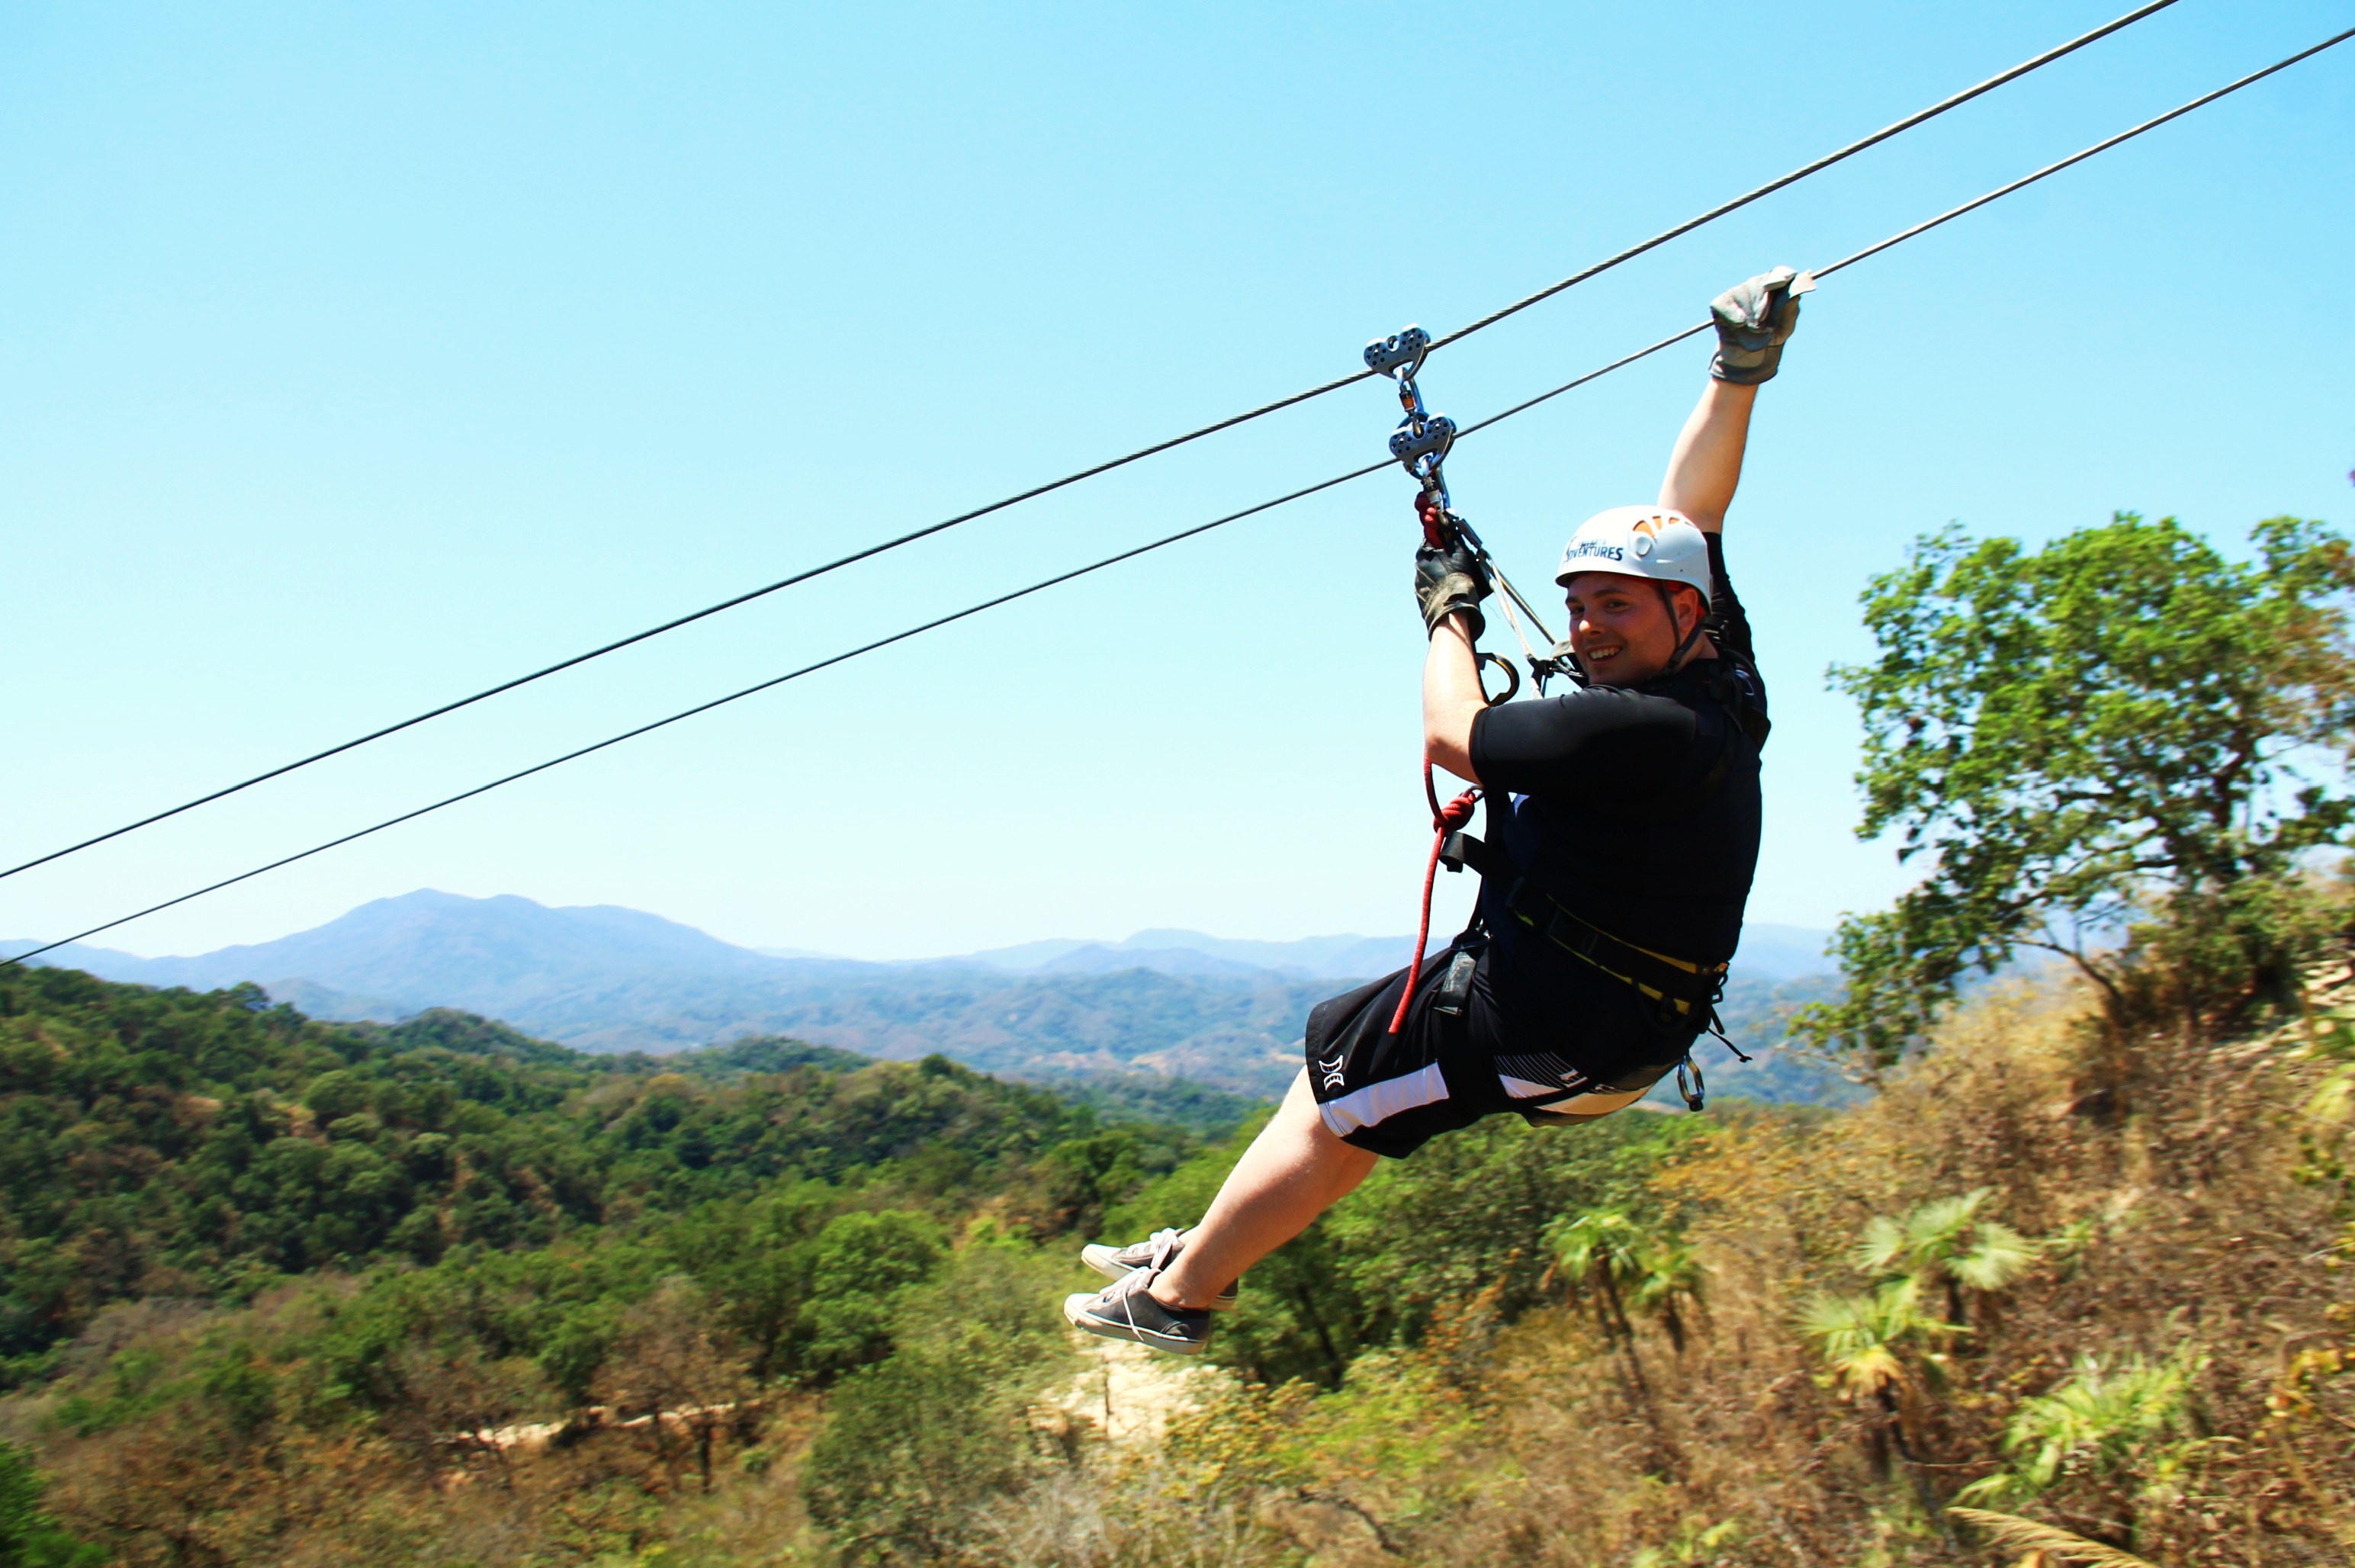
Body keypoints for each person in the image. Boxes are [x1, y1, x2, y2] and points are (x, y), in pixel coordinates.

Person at [1062, 267, 1801, 1354]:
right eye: (1579, 606)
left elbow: (1454, 736)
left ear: (1683, 610)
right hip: (1596, 1003)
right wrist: (1738, 373)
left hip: (1560, 1027)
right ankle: (1209, 1241)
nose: (1588, 629)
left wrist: (1449, 616)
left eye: (1616, 606)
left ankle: (1181, 1298)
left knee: (1346, 1101)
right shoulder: (1722, 678)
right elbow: (1693, 513)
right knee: (1336, 1059)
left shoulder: (1646, 728)